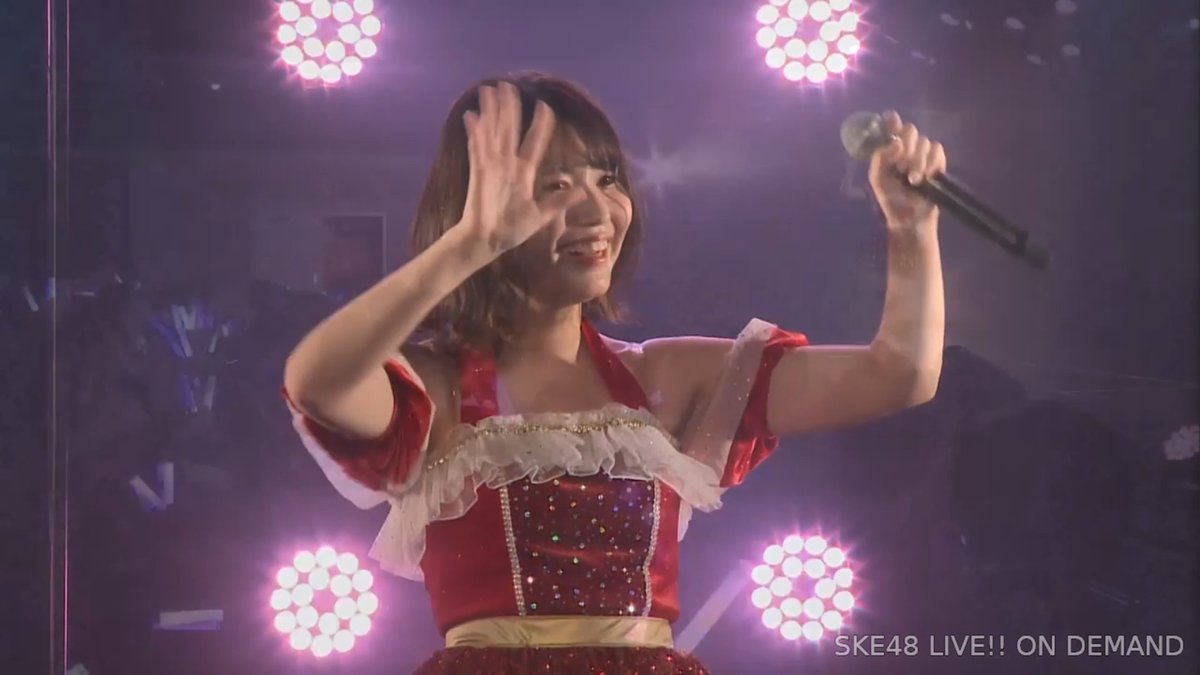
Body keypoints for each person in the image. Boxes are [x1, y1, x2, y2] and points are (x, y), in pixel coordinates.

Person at [282, 72, 946, 674]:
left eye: (606, 179)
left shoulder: (666, 376)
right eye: (553, 186)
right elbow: (315, 381)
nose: (597, 211)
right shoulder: (438, 389)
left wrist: (911, 229)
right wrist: (468, 246)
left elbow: (900, 374)